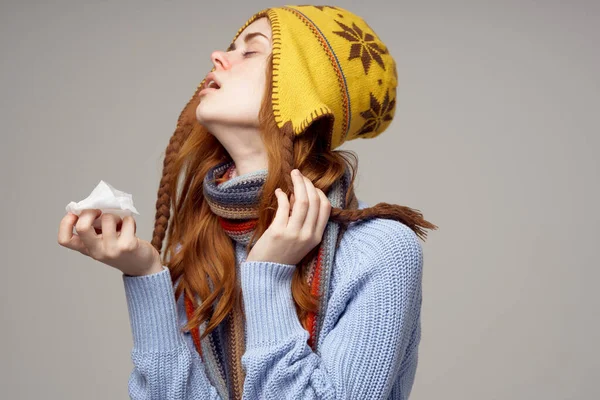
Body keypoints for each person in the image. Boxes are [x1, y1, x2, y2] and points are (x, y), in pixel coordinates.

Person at [58, 5, 437, 399]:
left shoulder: (381, 251)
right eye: (230, 48)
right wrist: (146, 274)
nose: (217, 57)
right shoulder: (203, 247)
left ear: (302, 93)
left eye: (251, 51)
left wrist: (268, 275)